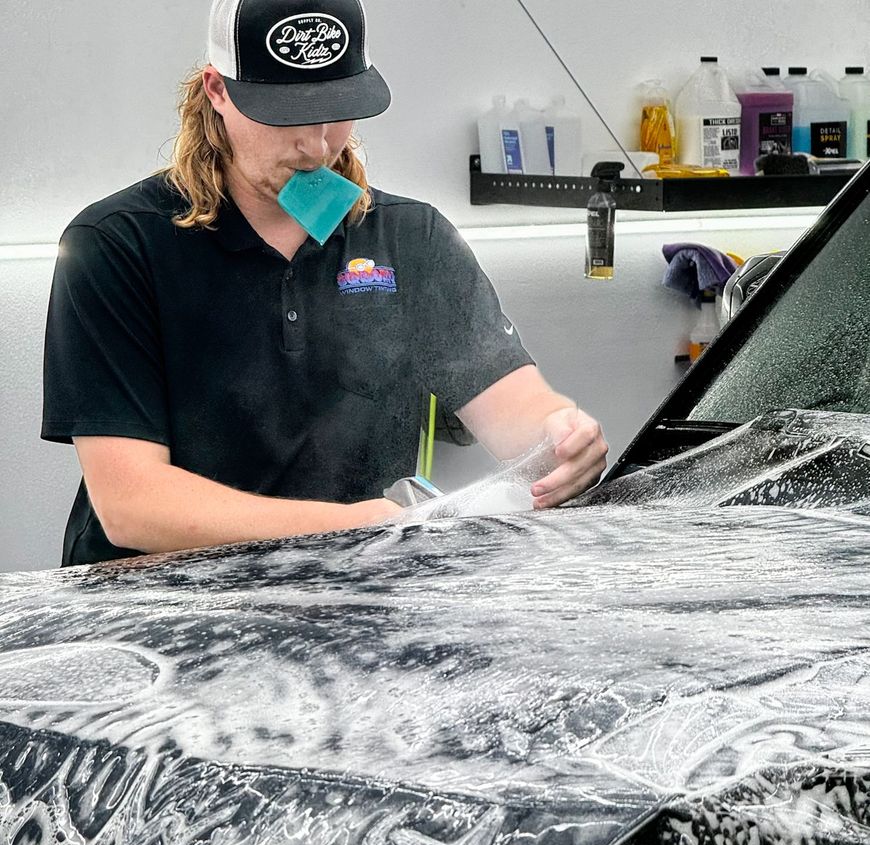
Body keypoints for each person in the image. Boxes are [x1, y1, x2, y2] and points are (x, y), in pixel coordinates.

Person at [42, 0, 608, 567]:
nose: (316, 147)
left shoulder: (411, 238)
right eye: (286, 115)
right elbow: (132, 505)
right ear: (217, 91)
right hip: (158, 605)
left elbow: (513, 405)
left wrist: (556, 439)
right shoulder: (115, 245)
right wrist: (361, 525)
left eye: (337, 111)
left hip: (361, 591)